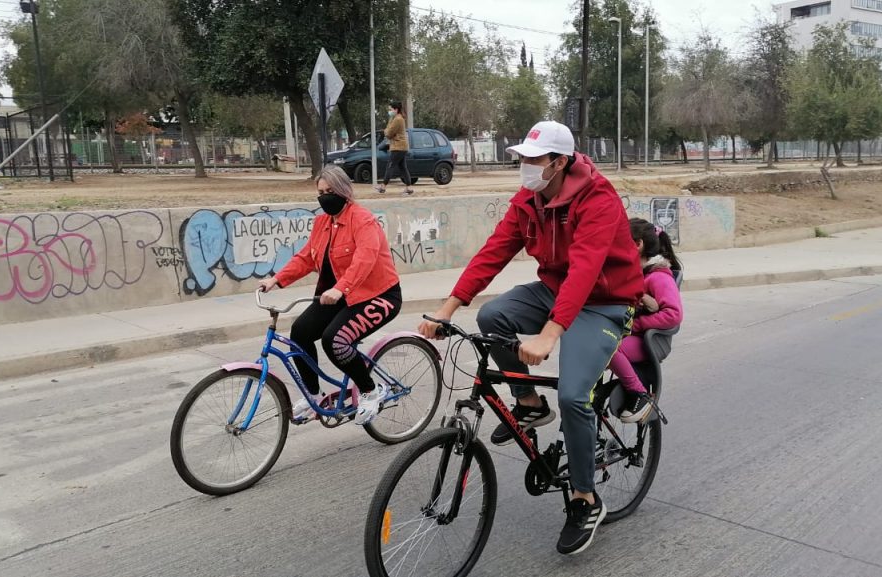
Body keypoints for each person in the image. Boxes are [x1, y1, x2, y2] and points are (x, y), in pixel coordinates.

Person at [417, 121, 644, 555]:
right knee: (494, 315)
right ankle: (529, 404)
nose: (524, 166)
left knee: (575, 398)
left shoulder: (598, 198)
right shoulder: (528, 199)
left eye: (533, 160)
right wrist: (447, 308)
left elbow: (585, 270)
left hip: (605, 301)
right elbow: (494, 252)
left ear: (560, 162)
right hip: (555, 290)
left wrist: (548, 335)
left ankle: (584, 497)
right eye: (522, 158)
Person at [259, 166, 402, 425]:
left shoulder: (363, 220)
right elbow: (305, 257)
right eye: (321, 192)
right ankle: (314, 396)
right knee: (300, 333)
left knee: (335, 341)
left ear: (344, 191)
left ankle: (371, 391)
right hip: (340, 296)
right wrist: (276, 280)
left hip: (378, 295)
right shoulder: (322, 224)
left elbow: (365, 259)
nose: (325, 197)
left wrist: (340, 288)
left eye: (330, 191)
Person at [608, 218, 684, 423]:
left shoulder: (658, 277)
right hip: (635, 336)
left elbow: (673, 315)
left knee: (607, 348)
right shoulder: (637, 274)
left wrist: (636, 325)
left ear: (638, 245)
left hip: (650, 341)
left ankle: (639, 394)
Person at [375, 101, 413, 195]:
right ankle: (409, 188)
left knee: (390, 166)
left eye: (390, 109)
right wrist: (390, 121)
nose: (389, 111)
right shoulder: (397, 118)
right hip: (401, 147)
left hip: (398, 147)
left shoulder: (397, 120)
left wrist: (386, 130)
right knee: (403, 167)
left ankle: (383, 186)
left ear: (396, 109)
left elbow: (388, 133)